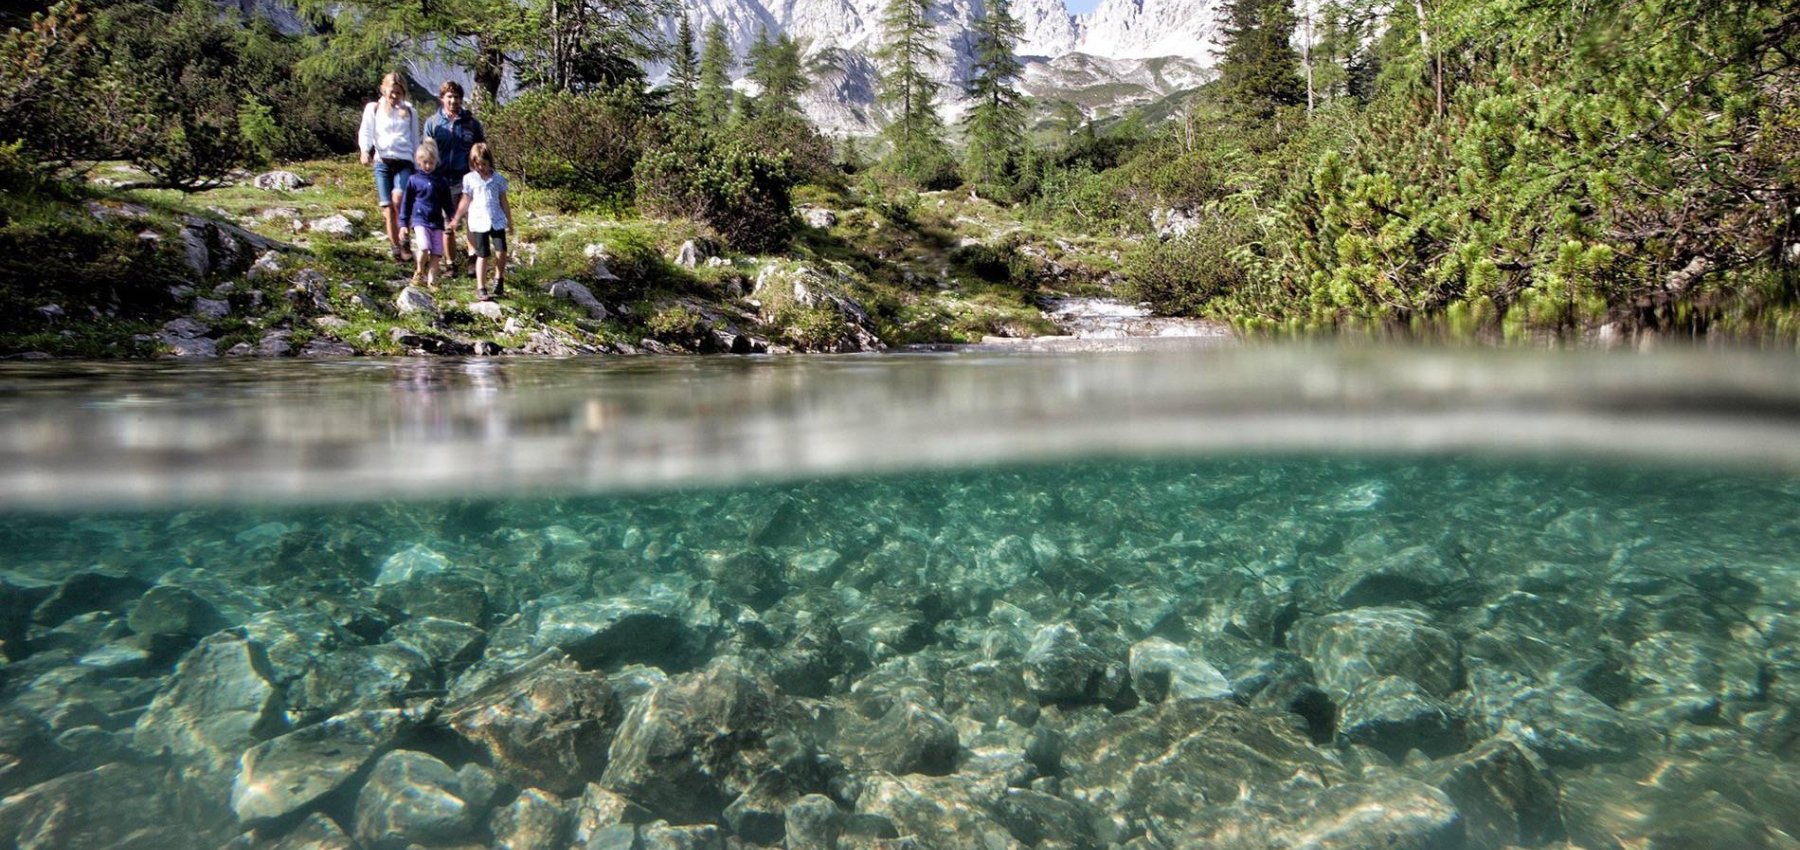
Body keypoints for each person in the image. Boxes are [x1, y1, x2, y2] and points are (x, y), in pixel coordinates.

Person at [422, 81, 485, 277]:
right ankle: (450, 264)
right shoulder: (432, 123)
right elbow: (427, 152)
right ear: (442, 99)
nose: (453, 100)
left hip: (466, 179)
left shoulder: (472, 124)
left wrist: (483, 176)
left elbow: (481, 151)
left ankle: (472, 261)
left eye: (457, 97)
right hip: (440, 180)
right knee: (447, 224)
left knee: (471, 221)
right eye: (449, 96)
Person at [357, 72, 421, 262]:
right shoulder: (373, 108)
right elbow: (366, 130)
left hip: (404, 161)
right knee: (387, 208)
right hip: (382, 161)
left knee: (399, 200)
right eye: (392, 92)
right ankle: (395, 248)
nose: (394, 96)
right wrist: (364, 150)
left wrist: (418, 166)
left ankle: (405, 239)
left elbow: (415, 139)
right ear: (383, 89)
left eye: (399, 92)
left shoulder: (410, 111)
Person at [448, 142, 512, 301]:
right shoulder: (469, 179)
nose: (481, 167)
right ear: (472, 163)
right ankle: (481, 287)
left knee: (501, 249)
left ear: (490, 161)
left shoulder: (498, 179)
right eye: (478, 164)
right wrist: (456, 218)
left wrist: (509, 220)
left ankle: (499, 278)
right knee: (482, 254)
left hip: (496, 219)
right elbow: (465, 199)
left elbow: (503, 200)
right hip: (478, 221)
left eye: (484, 163)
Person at [400, 139, 453, 289]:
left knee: (436, 253)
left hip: (437, 222)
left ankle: (432, 281)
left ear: (436, 162)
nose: (428, 166)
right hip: (420, 220)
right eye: (425, 163)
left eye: (431, 162)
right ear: (418, 162)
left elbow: (447, 203)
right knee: (424, 247)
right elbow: (406, 203)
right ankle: (419, 271)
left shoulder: (441, 182)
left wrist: (452, 219)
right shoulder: (413, 180)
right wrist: (403, 223)